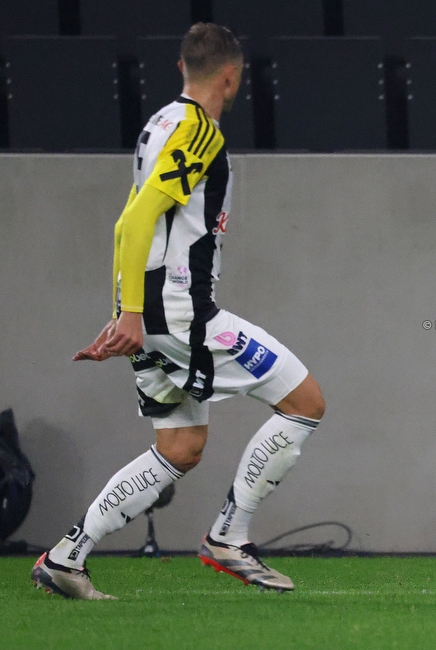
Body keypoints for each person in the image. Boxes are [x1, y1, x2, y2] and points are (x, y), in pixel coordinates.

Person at [31, 23, 325, 600]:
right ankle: (229, 538)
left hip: (152, 312)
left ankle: (66, 557)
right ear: (232, 76)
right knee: (306, 402)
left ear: (181, 69)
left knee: (180, 448)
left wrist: (124, 311)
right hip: (182, 312)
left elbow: (126, 222)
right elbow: (140, 221)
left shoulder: (158, 123)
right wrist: (135, 316)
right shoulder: (198, 131)